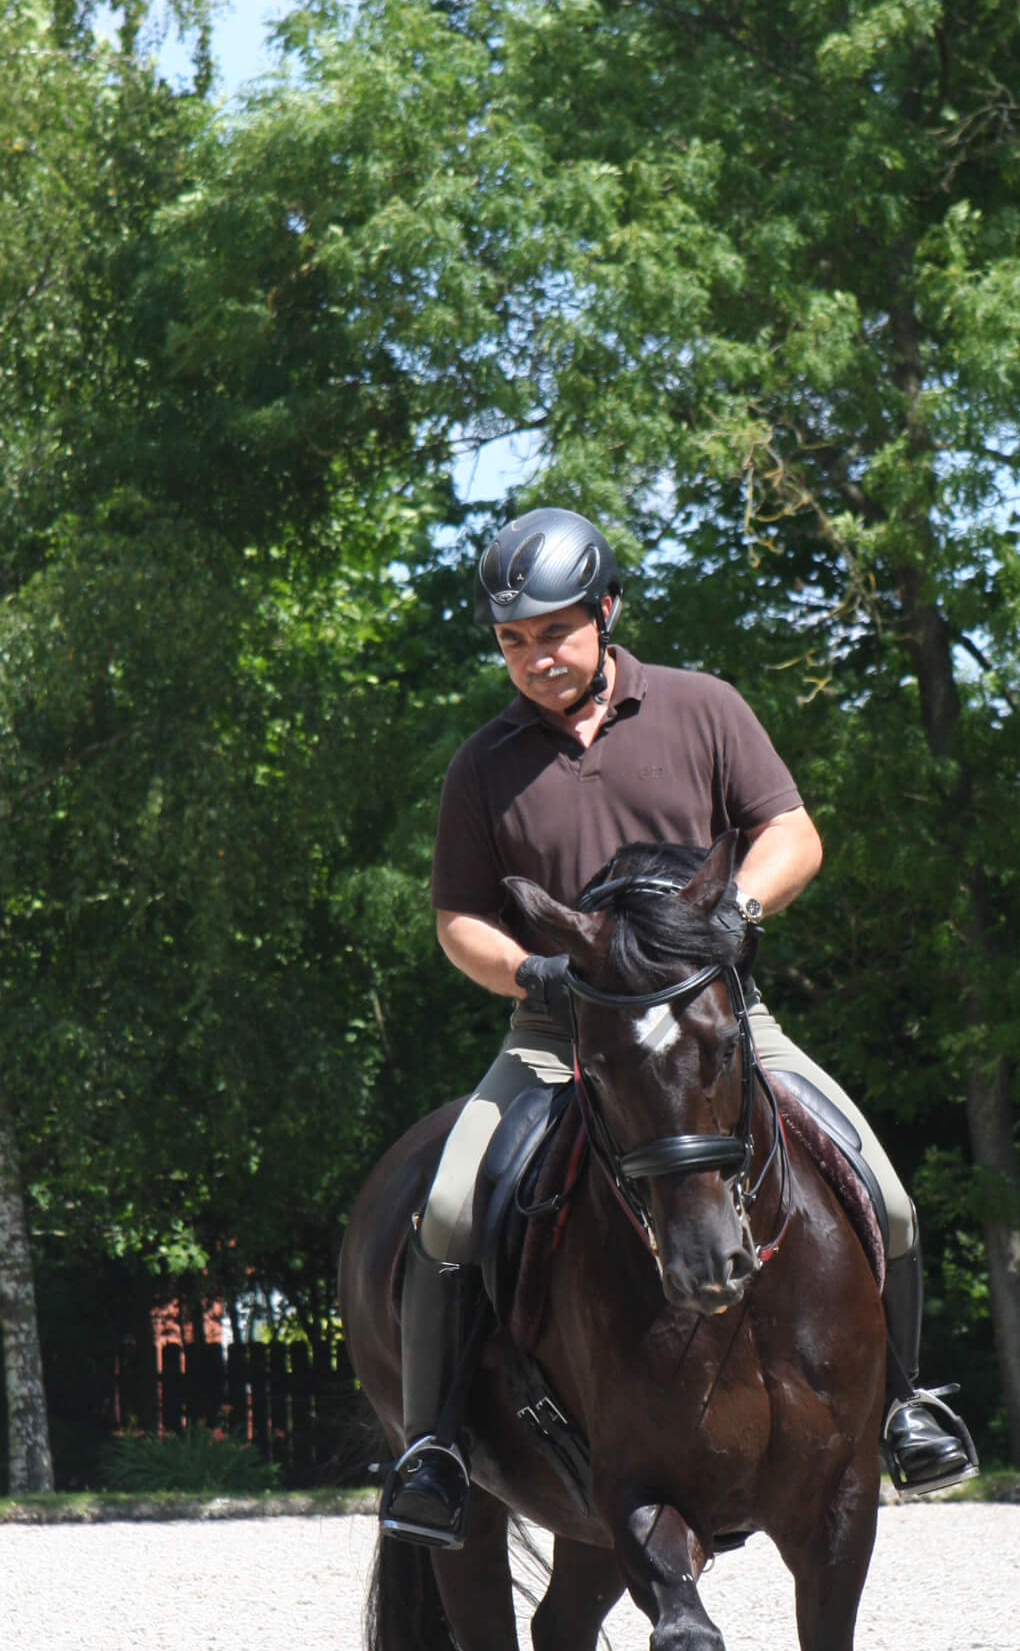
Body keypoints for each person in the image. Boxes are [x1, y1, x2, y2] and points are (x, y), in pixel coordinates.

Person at [380, 507, 977, 1548]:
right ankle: (433, 1449)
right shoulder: (482, 765)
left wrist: (728, 918)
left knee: (882, 1191)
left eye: (555, 633)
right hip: (555, 1043)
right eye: (512, 641)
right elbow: (455, 921)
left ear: (605, 614)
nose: (535, 658)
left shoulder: (701, 708)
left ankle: (904, 1408)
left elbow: (791, 834)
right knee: (444, 1210)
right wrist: (529, 970)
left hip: (716, 1032)